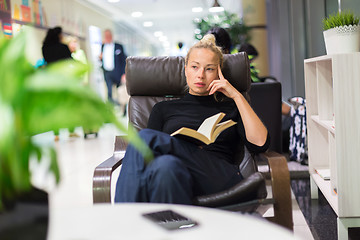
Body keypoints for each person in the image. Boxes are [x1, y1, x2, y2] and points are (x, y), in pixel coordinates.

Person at [114, 34, 270, 204]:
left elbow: (260, 144)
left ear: (219, 73)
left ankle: (124, 218)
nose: (200, 75)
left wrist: (236, 96)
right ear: (185, 69)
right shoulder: (163, 109)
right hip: (178, 177)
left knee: (145, 138)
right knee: (165, 166)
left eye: (209, 69)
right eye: (195, 67)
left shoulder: (231, 107)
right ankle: (171, 227)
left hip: (219, 177)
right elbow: (149, 157)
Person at [99, 29, 127, 103]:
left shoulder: (118, 46)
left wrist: (124, 73)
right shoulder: (103, 46)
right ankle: (110, 107)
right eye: (106, 36)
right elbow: (102, 59)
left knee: (120, 91)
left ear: (111, 36)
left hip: (117, 72)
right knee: (109, 91)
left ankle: (121, 105)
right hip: (107, 72)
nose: (107, 37)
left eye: (108, 35)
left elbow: (123, 60)